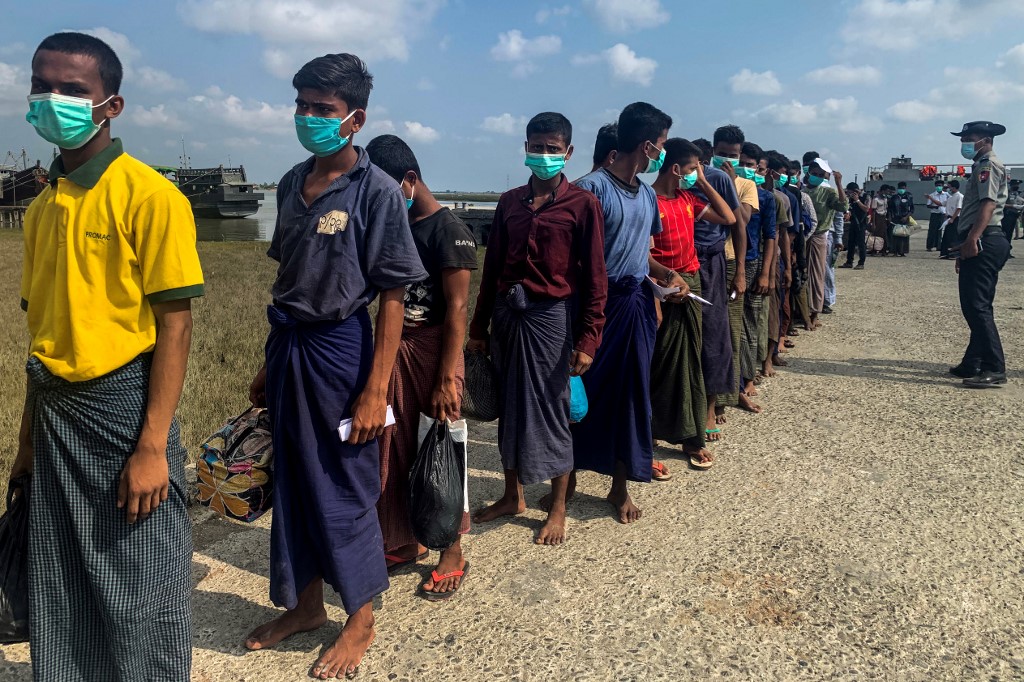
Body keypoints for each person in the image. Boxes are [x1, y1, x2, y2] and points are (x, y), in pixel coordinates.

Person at [15, 32, 204, 680]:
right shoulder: (41, 210)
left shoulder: (150, 196)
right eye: (43, 87)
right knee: (63, 592)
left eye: (73, 91)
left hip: (124, 412)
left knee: (144, 594)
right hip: (56, 417)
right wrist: (24, 450)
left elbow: (174, 327)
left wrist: (153, 447)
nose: (53, 101)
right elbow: (43, 339)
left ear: (111, 105)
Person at [244, 53, 428, 679]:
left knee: (344, 483)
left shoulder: (376, 191)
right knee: (294, 477)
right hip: (291, 346)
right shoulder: (293, 181)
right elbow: (289, 277)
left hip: (342, 353)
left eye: (322, 109)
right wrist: (271, 366)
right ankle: (305, 605)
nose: (308, 118)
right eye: (301, 106)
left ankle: (361, 617)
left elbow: (395, 295)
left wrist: (376, 389)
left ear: (354, 119)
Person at [468, 112, 607, 544]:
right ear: (525, 147)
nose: (543, 155)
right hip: (509, 317)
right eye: (536, 146)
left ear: (567, 153)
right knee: (509, 408)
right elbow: (491, 271)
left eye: (552, 148)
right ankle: (514, 494)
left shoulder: (583, 204)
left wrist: (588, 338)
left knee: (552, 409)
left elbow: (595, 278)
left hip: (551, 320)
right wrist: (479, 327)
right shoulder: (510, 202)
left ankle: (558, 506)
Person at [364, 134, 478, 599]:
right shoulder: (399, 224)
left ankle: (451, 548)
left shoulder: (447, 229)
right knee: (397, 445)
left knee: (442, 446)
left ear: (409, 180)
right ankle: (408, 538)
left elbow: (456, 310)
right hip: (396, 351)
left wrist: (448, 377)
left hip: (434, 352)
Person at [573, 101, 681, 524]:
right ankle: (567, 485)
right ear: (648, 144)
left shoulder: (648, 194)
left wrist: (664, 279)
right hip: (596, 307)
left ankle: (619, 487)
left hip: (635, 302)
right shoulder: (591, 189)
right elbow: (577, 259)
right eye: (663, 145)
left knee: (631, 395)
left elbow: (644, 252)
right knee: (582, 396)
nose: (664, 152)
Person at [649, 138, 735, 474]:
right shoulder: (650, 201)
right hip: (665, 286)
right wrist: (668, 280)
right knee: (662, 364)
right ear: (675, 168)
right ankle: (652, 432)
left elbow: (727, 216)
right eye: (691, 169)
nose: (696, 173)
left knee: (691, 362)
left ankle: (691, 436)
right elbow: (646, 253)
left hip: (692, 281)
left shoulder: (687, 198)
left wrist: (701, 183)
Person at [949, 121, 1010, 388]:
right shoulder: (981, 165)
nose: (964, 142)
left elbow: (988, 204)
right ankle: (972, 362)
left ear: (985, 140)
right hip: (984, 239)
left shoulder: (987, 165)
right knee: (978, 304)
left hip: (985, 239)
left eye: (969, 138)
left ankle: (994, 368)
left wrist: (972, 239)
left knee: (976, 306)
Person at [689, 137, 742, 442]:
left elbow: (734, 222)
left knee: (714, 335)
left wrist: (740, 277)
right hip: (681, 263)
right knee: (684, 339)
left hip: (711, 260)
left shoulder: (717, 179)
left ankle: (710, 408)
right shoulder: (672, 183)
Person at [711, 126, 754, 420]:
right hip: (705, 261)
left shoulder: (745, 185)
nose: (727, 159)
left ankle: (726, 397)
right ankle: (709, 399)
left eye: (733, 155)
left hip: (729, 262)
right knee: (711, 334)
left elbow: (742, 222)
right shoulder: (700, 179)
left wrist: (727, 184)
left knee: (731, 331)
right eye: (722, 153)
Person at [736, 142, 776, 408]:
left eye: (753, 166)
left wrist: (766, 273)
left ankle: (748, 377)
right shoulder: (729, 187)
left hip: (752, 261)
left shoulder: (765, 198)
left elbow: (770, 237)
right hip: (731, 260)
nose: (748, 169)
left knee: (750, 322)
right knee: (734, 325)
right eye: (745, 163)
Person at [803, 156, 847, 329]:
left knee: (817, 275)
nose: (816, 176)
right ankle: (802, 310)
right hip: (803, 237)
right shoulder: (802, 191)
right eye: (814, 173)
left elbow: (842, 208)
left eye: (820, 174)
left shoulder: (828, 192)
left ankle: (814, 312)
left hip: (819, 236)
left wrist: (839, 184)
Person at [841, 183, 869, 269]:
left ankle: (861, 263)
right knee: (851, 242)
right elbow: (849, 208)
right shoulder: (851, 198)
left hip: (861, 223)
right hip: (853, 222)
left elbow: (866, 209)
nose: (849, 194)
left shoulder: (865, 196)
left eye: (850, 192)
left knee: (861, 243)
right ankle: (849, 262)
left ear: (856, 191)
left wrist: (857, 200)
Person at [888, 181, 914, 257]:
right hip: (895, 218)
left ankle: (902, 251)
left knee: (904, 234)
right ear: (898, 188)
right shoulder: (894, 197)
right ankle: (895, 251)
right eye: (900, 188)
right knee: (895, 234)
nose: (901, 190)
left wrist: (906, 217)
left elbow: (912, 209)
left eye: (903, 188)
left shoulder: (909, 197)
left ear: (905, 188)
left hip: (905, 218)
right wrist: (890, 218)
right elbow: (890, 208)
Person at [940, 180, 963, 259]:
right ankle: (946, 253)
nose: (949, 189)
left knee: (954, 237)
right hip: (949, 218)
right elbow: (941, 204)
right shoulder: (951, 197)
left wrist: (953, 218)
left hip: (955, 218)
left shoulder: (959, 196)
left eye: (950, 187)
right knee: (947, 236)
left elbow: (959, 208)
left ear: (953, 187)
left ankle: (954, 254)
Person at [926, 181, 949, 251]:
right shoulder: (932, 195)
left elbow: (950, 202)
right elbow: (928, 205)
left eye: (940, 185)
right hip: (934, 214)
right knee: (932, 230)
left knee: (940, 230)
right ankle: (929, 246)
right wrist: (935, 207)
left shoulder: (946, 194)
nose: (938, 187)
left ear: (942, 186)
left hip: (942, 214)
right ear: (935, 186)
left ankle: (938, 246)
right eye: (937, 185)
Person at [1002, 178, 1022, 249]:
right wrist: (1013, 206)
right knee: (1006, 234)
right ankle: (1004, 249)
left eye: (1018, 185)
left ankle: (1008, 250)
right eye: (1015, 185)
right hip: (1007, 216)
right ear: (1011, 185)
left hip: (1015, 216)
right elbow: (1001, 204)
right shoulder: (1006, 193)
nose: (1017, 186)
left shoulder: (1018, 194)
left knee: (1010, 234)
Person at [871, 185, 890, 255]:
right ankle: (874, 250)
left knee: (884, 234)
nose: (887, 193)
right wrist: (873, 223)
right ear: (882, 191)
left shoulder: (885, 199)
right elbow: (873, 211)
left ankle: (883, 250)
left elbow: (886, 208)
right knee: (876, 234)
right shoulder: (876, 199)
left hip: (883, 217)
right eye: (886, 191)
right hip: (877, 217)